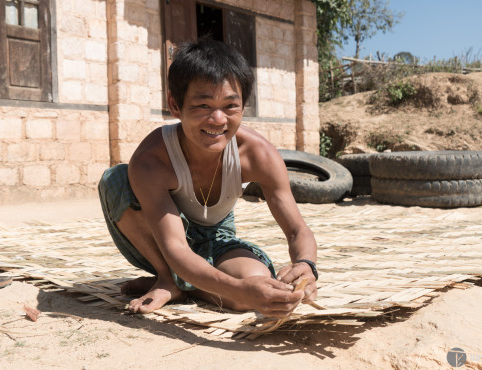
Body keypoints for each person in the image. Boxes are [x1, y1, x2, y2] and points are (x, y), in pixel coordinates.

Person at [98, 39, 318, 318]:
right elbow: (175, 246)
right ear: (175, 106)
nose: (217, 119)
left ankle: (186, 287)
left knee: (248, 294)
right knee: (115, 178)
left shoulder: (258, 155)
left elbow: (298, 230)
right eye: (203, 105)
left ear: (243, 106)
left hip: (217, 236)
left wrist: (306, 265)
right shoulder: (152, 159)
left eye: (230, 106)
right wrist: (234, 288)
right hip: (159, 241)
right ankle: (167, 279)